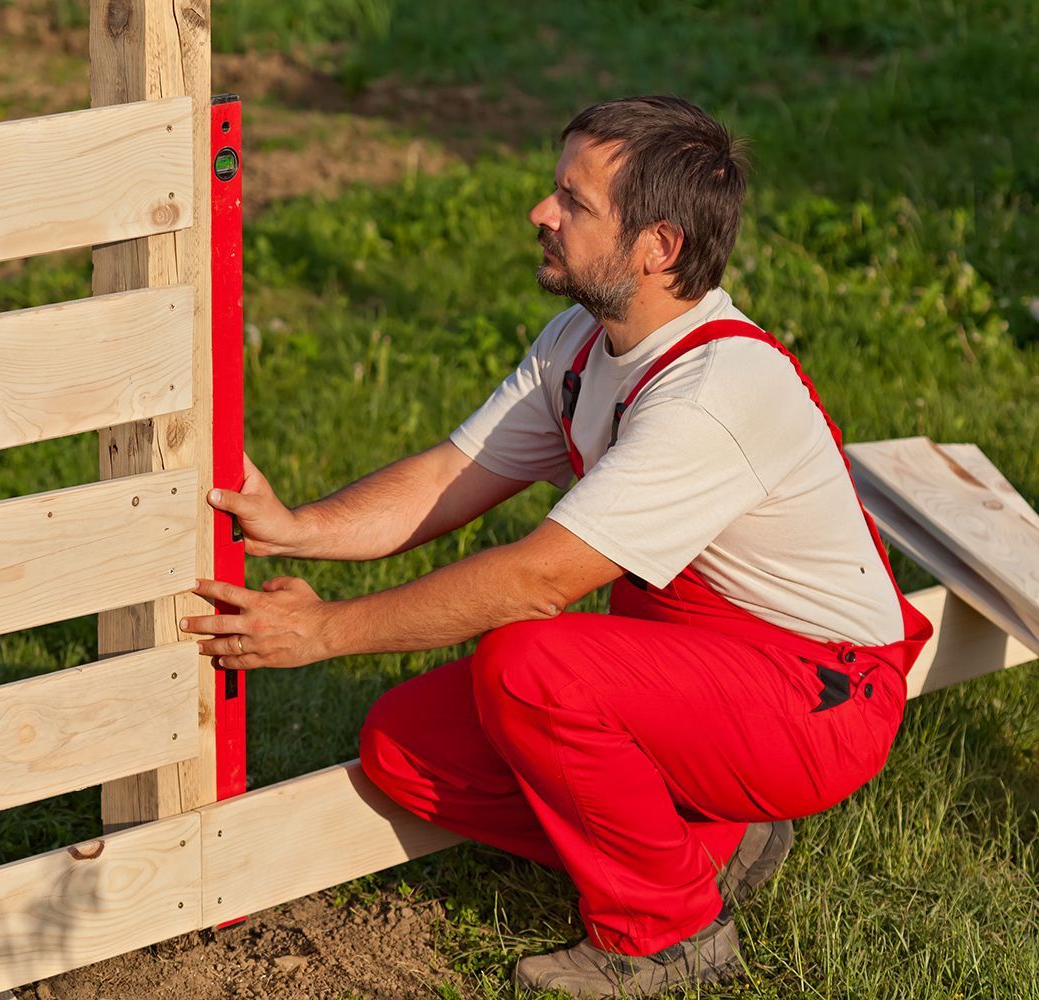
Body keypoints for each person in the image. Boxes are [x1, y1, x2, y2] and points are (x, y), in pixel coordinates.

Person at [179, 95, 931, 997]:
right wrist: (299, 527)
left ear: (659, 248)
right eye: (553, 190)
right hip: (705, 663)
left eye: (573, 202)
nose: (541, 213)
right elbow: (454, 473)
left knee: (532, 669)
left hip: (818, 696)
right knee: (405, 747)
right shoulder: (583, 342)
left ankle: (668, 933)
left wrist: (323, 634)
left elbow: (537, 579)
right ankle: (706, 841)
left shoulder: (710, 392)